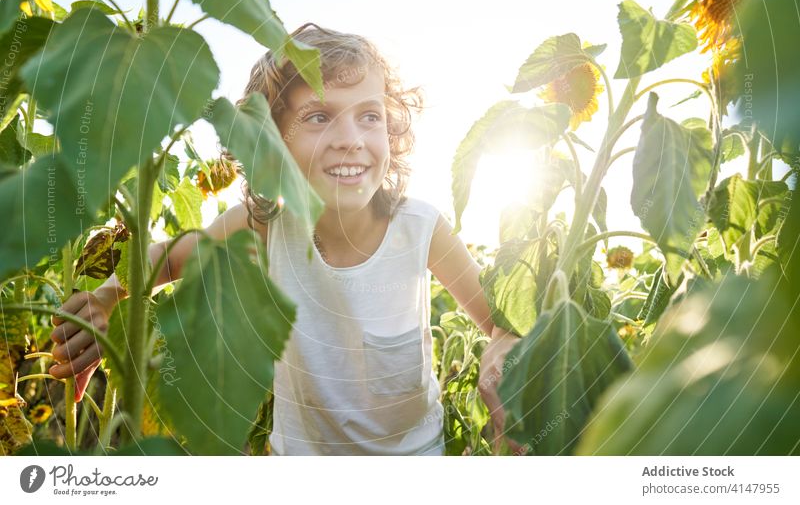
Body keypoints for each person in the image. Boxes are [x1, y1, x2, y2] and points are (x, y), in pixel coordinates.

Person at [48, 24, 524, 456]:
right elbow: (169, 261)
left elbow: (502, 321)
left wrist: (501, 351)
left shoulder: (421, 228)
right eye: (318, 117)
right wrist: (108, 294)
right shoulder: (264, 225)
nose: (350, 139)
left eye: (369, 116)